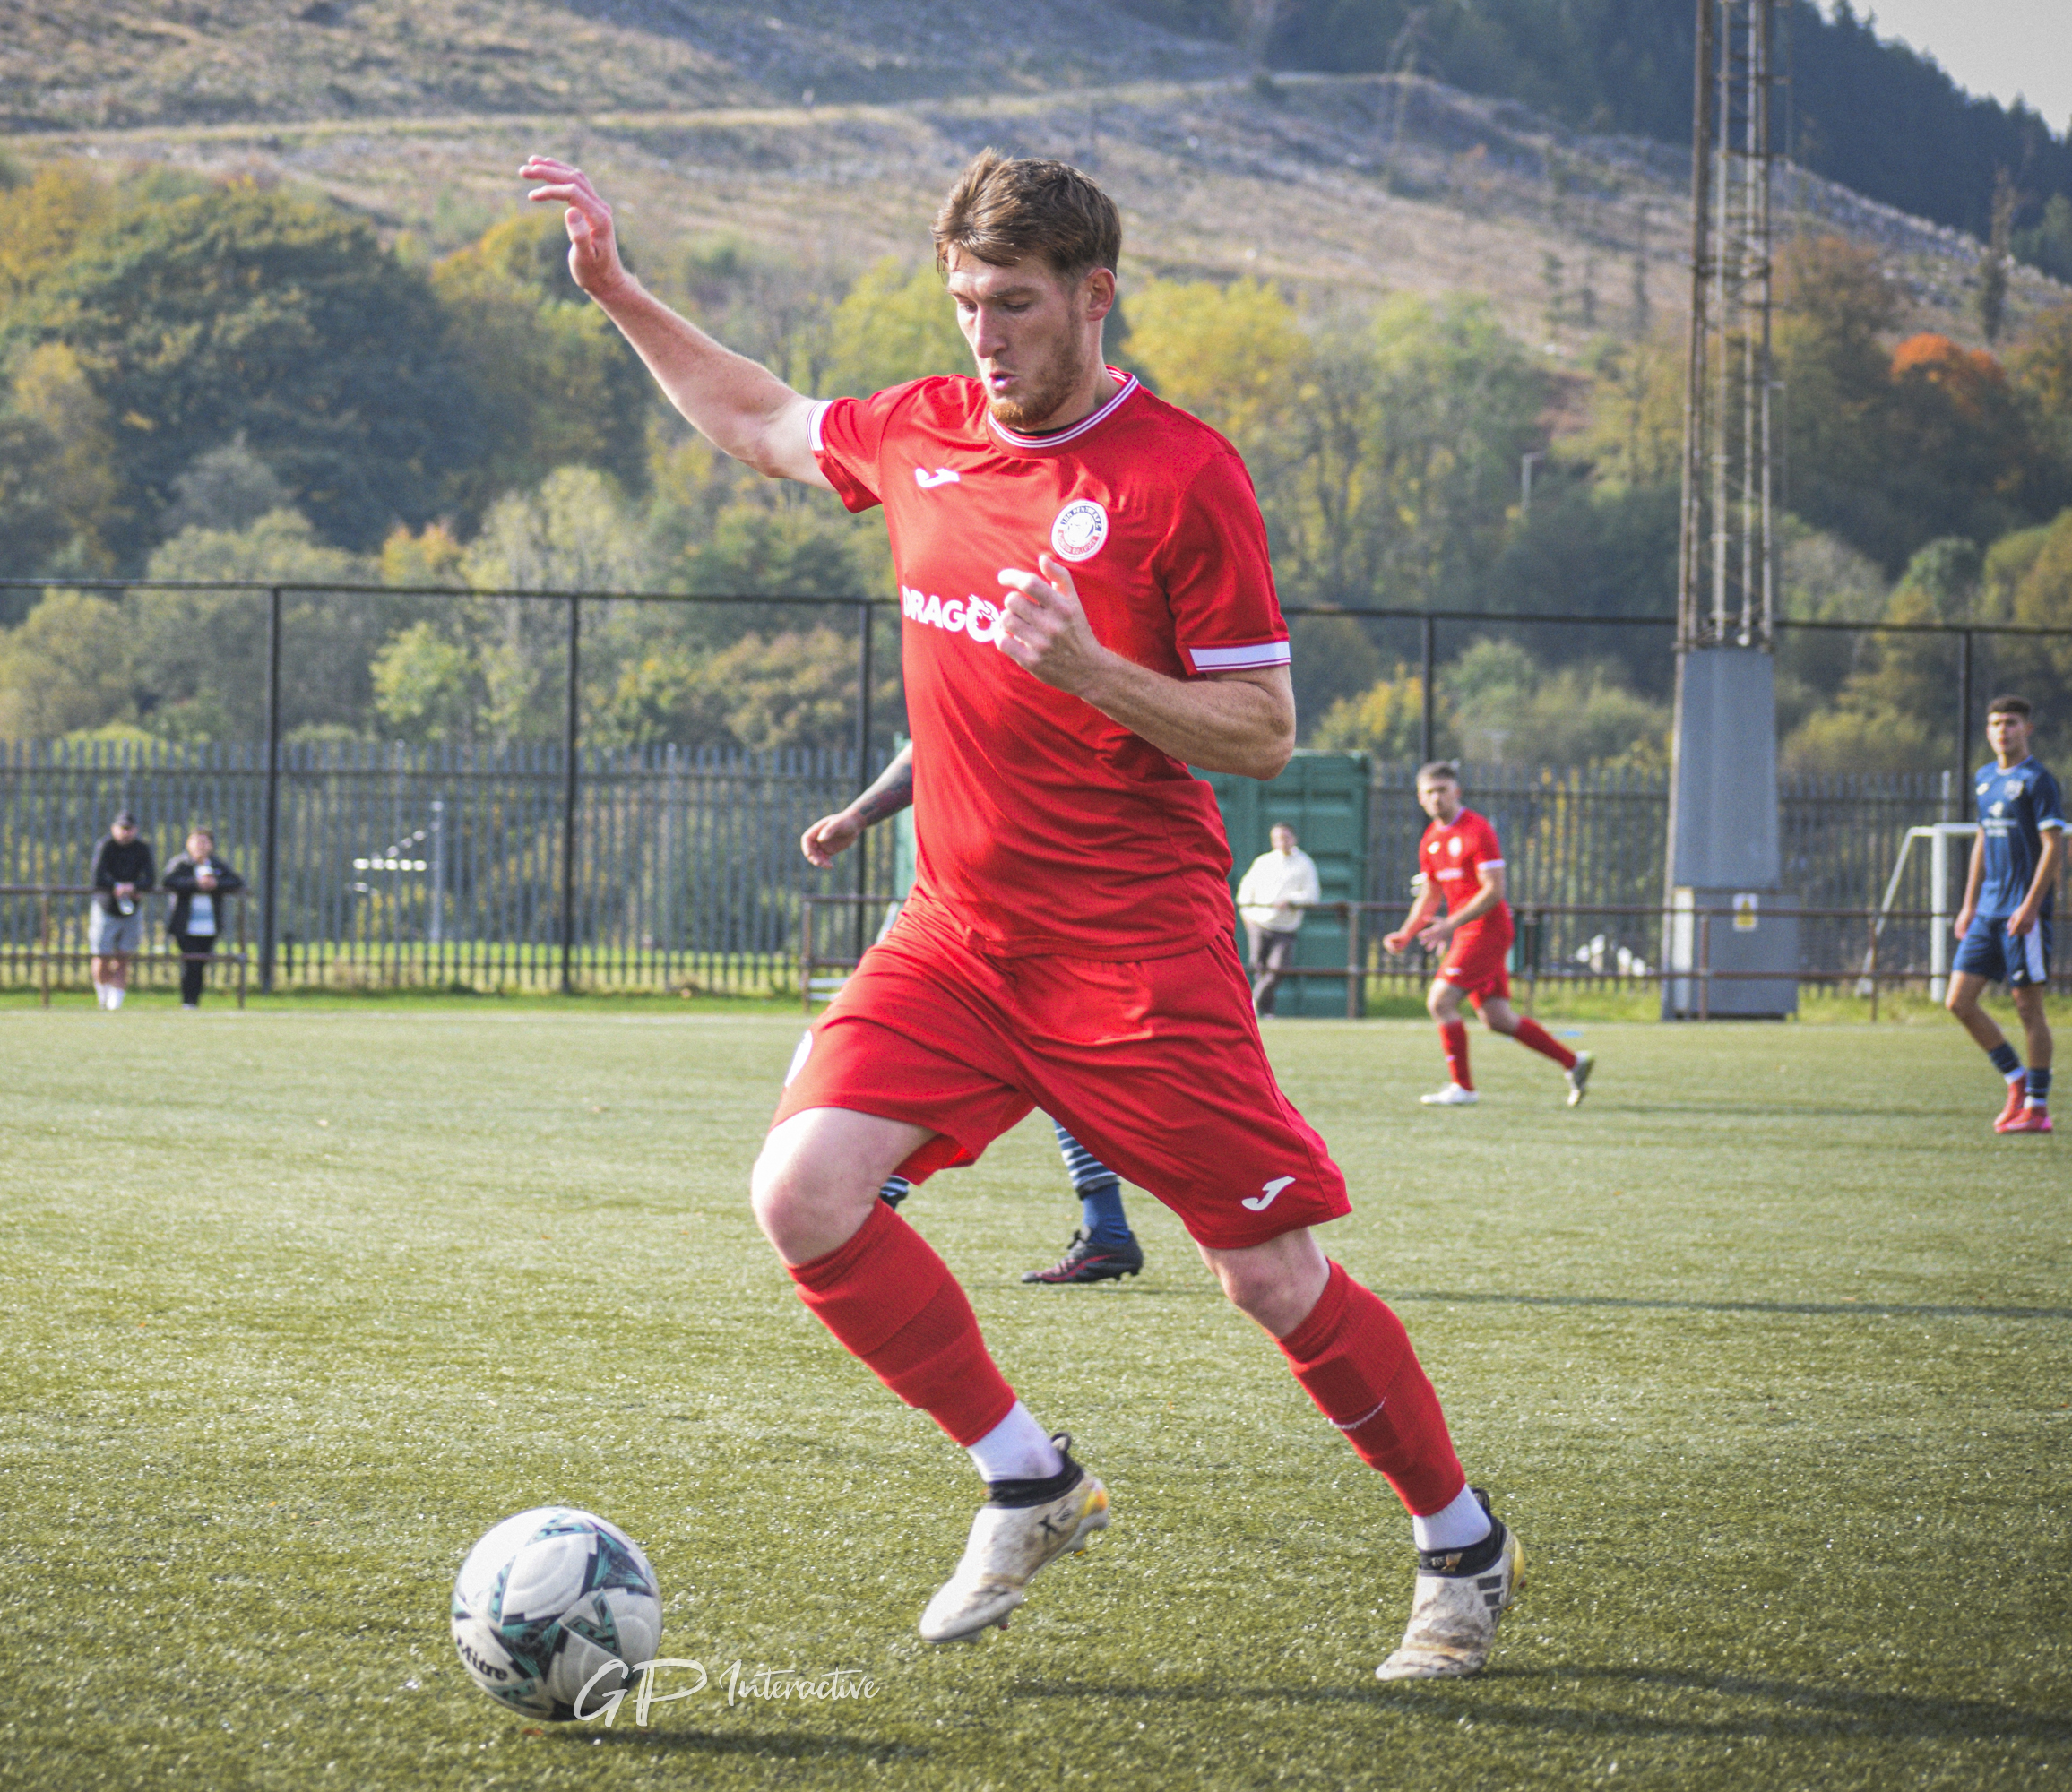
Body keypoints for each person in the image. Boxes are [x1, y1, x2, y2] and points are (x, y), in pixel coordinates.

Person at [525, 147, 1522, 1677]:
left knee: (1266, 1275)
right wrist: (617, 293)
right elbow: (762, 418)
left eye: (1013, 303)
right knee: (802, 1194)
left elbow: (1262, 732)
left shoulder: (1186, 476)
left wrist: (1095, 674)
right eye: (964, 302)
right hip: (957, 937)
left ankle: (1460, 1544)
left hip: (1136, 949)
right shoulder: (921, 433)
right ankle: (1027, 1476)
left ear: (1092, 297)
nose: (983, 336)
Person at [807, 741, 1147, 1285]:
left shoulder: (1058, 664)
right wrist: (857, 815)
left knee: (906, 1049)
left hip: (1024, 910)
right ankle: (1107, 1227)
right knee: (1056, 1063)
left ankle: (877, 1204)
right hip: (979, 905)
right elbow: (933, 742)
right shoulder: (973, 664)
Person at [1382, 762, 1591, 1108]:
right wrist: (1407, 933)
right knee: (1497, 1019)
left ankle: (1462, 1087)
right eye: (1429, 792)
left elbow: (1493, 891)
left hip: (1486, 931)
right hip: (1466, 932)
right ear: (1420, 798)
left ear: (1456, 792)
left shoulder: (1477, 830)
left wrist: (1449, 925)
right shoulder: (1431, 840)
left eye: (1442, 790)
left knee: (1440, 1002)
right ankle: (1574, 1062)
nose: (1436, 798)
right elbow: (1431, 893)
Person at [1948, 695, 2064, 1135]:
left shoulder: (2038, 781)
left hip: (2022, 912)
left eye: (2011, 723)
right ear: (1988, 730)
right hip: (1988, 911)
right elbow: (1982, 839)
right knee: (1958, 1001)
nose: (2003, 731)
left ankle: (2037, 1107)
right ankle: (2016, 1080)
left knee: (2027, 1008)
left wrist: (2032, 905)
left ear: (2027, 729)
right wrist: (1969, 903)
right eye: (1996, 723)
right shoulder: (1984, 780)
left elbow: (2054, 845)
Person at [1238, 822, 1322, 1018]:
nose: (1281, 842)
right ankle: (1267, 1012)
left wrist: (1291, 901)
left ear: (1294, 838)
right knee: (1259, 969)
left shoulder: (1304, 863)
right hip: (1259, 923)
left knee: (1277, 969)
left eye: (1285, 837)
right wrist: (1247, 916)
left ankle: (1253, 1004)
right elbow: (1245, 893)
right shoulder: (1263, 862)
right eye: (1277, 838)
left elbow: (1312, 894)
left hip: (1285, 927)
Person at [160, 827, 247, 1010]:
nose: (201, 845)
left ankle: (194, 1001)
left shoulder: (216, 865)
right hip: (185, 924)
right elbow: (168, 881)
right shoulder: (181, 864)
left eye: (205, 841)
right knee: (190, 962)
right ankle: (188, 1001)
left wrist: (215, 884)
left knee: (200, 963)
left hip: (209, 924)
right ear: (188, 844)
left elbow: (236, 881)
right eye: (197, 841)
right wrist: (196, 884)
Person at [89, 811, 155, 1012]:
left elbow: (150, 878)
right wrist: (115, 886)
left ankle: (115, 1004)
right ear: (114, 829)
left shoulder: (142, 848)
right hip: (106, 907)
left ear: (135, 830)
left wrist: (133, 887)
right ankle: (103, 996)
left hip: (131, 910)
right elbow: (97, 876)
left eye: (129, 829)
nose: (125, 833)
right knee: (102, 956)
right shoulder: (106, 846)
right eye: (122, 828)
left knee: (124, 957)